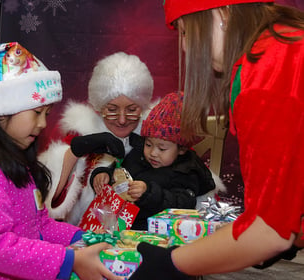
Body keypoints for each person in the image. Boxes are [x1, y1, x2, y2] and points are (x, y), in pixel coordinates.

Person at [129, 1, 304, 279]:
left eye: (186, 32)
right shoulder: (284, 45)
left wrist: (171, 262)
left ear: (222, 13)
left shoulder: (268, 74)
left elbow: (270, 231)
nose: (185, 47)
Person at [0, 42, 122, 280]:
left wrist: (83, 238)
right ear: (3, 109)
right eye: (36, 112)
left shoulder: (15, 161)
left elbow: (40, 226)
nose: (43, 124)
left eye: (46, 114)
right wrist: (70, 260)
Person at [38, 52, 155, 225]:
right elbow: (49, 201)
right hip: (82, 236)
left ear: (143, 107)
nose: (122, 120)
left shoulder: (156, 138)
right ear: (99, 107)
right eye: (112, 109)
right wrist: (78, 150)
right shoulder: (80, 133)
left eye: (131, 110)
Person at [90, 91, 218, 230]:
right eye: (148, 144)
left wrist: (149, 192)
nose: (153, 153)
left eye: (162, 149)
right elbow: (118, 170)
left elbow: (183, 203)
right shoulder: (137, 155)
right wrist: (103, 174)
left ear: (181, 149)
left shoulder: (186, 170)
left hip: (154, 232)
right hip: (118, 224)